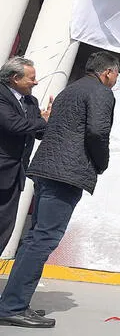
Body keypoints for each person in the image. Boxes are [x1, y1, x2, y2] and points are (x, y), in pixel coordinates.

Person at [0, 51, 118, 328]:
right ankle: (12, 306)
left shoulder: (70, 90)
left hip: (46, 171)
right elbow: (97, 133)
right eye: (115, 75)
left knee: (34, 239)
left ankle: (15, 301)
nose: (114, 80)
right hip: (66, 174)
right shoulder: (101, 92)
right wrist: (101, 163)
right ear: (108, 73)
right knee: (43, 240)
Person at [0, 57, 52, 255]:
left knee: (5, 227)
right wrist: (43, 121)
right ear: (15, 78)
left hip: (15, 176)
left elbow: (38, 132)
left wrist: (49, 120)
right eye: (32, 78)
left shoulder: (31, 102)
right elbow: (13, 125)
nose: (36, 82)